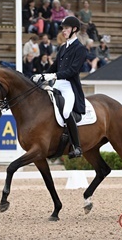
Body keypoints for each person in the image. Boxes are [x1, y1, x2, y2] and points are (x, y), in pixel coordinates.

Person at [34, 16, 87, 158]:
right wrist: (42, 75)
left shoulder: (80, 49)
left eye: (66, 28)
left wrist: (54, 76)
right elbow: (54, 67)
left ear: (74, 29)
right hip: (57, 83)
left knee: (65, 112)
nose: (63, 31)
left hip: (69, 85)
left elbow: (73, 71)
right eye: (63, 29)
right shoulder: (63, 47)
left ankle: (77, 147)